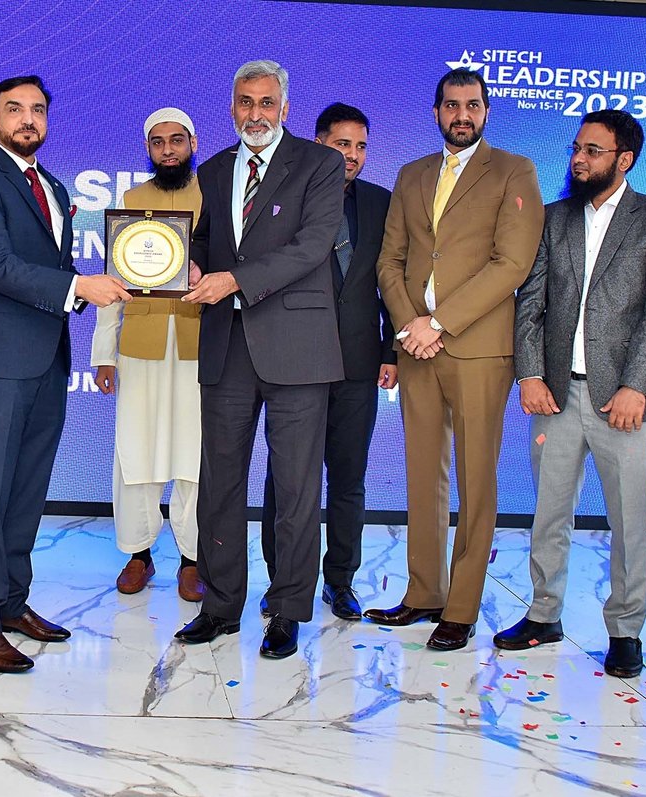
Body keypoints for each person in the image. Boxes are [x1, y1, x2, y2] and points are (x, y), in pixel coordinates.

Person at [0, 75, 131, 673]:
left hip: (47, 358)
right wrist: (80, 287)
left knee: (27, 489)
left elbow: (45, 267)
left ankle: (10, 602)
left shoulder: (51, 185)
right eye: (14, 109)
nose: (27, 119)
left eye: (37, 110)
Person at [499, 110, 646, 678]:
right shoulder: (553, 218)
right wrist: (530, 374)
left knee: (629, 520)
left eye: (593, 151)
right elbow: (530, 302)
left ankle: (626, 630)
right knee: (549, 512)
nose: (578, 159)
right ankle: (543, 613)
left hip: (624, 402)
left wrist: (635, 385)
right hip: (555, 396)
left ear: (624, 160)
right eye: (577, 148)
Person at [367, 68, 544, 652]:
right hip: (416, 346)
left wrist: (438, 324)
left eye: (472, 105)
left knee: (475, 478)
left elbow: (512, 264)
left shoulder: (514, 170)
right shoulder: (411, 173)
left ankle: (461, 607)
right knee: (424, 474)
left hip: (476, 347)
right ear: (437, 111)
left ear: (486, 111)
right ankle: (424, 592)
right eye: (451, 105)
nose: (461, 114)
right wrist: (408, 327)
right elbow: (390, 261)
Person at [173, 59, 345, 660]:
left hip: (297, 348)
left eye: (266, 103)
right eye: (245, 102)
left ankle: (288, 609)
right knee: (219, 482)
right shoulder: (215, 168)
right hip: (226, 345)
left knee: (295, 488)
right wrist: (191, 263)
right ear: (231, 108)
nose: (256, 113)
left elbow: (312, 245)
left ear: (285, 109)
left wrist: (234, 281)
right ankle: (220, 606)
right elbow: (206, 239)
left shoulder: (320, 164)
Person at [258, 102, 396, 621]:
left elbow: (392, 281)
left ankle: (340, 581)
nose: (353, 155)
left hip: (358, 363)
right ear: (318, 144)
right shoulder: (283, 197)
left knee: (348, 479)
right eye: (342, 144)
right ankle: (281, 581)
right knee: (287, 480)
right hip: (294, 362)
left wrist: (391, 350)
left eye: (361, 146)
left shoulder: (381, 202)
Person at [92, 107, 204, 602]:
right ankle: (139, 554)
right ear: (148, 149)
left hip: (201, 346)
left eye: (176, 140)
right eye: (158, 142)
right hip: (140, 346)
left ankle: (192, 560)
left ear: (193, 144)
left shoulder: (215, 195)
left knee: (196, 455)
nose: (168, 150)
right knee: (136, 451)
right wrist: (105, 354)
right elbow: (113, 281)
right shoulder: (132, 201)